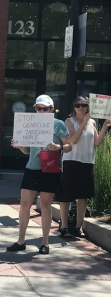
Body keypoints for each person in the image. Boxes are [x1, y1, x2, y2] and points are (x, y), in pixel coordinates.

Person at [7, 94, 71, 255]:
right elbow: (28, 150)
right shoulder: (30, 123)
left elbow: (69, 145)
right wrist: (19, 146)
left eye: (45, 108)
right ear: (35, 109)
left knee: (45, 205)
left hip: (49, 169)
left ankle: (45, 242)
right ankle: (21, 241)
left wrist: (57, 146)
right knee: (24, 204)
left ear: (51, 110)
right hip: (32, 167)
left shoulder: (58, 124)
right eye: (38, 108)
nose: (41, 111)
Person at [56, 96, 111, 238]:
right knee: (66, 196)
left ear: (87, 106)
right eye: (78, 105)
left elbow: (97, 143)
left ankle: (78, 227)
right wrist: (82, 124)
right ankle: (64, 226)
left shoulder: (92, 122)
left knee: (83, 196)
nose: (81, 107)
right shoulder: (69, 121)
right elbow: (72, 140)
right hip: (71, 161)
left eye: (84, 105)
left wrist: (105, 126)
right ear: (74, 107)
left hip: (87, 162)